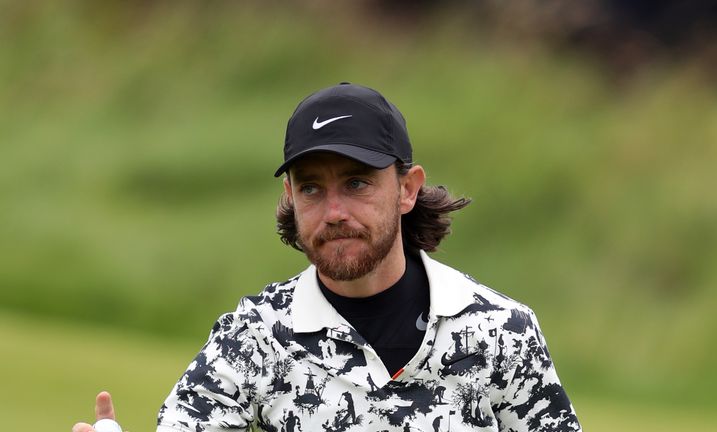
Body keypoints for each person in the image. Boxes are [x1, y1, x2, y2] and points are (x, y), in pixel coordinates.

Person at [73, 83, 581, 432]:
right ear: (292, 199)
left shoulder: (501, 333)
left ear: (407, 189)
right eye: (312, 188)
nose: (333, 212)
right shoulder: (256, 336)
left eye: (357, 183)